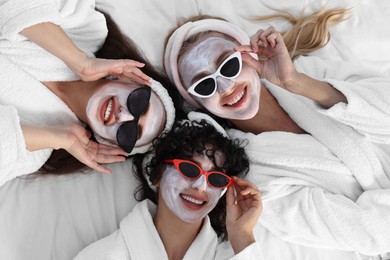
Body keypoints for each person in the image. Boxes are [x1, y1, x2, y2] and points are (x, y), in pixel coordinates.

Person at [163, 9, 390, 255]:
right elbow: (370, 232)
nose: (226, 87)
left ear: (248, 54)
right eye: (204, 84)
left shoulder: (310, 72)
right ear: (197, 103)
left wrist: (297, 83)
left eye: (229, 65)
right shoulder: (256, 181)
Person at [0, 0, 178, 186]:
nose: (123, 116)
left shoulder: (35, 148)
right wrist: (80, 61)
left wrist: (62, 138)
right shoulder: (88, 30)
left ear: (110, 143)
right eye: (138, 103)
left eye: (128, 133)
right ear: (132, 78)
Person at [74, 114, 263, 260]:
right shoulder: (101, 255)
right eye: (189, 169)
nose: (201, 187)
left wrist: (242, 236)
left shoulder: (236, 254)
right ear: (157, 175)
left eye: (216, 179)